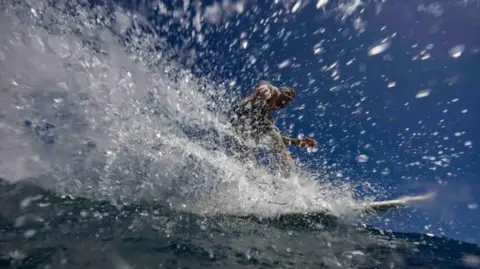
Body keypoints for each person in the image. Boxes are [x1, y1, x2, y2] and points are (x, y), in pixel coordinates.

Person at [228, 80, 316, 174]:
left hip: (237, 123)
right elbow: (268, 87)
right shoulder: (274, 93)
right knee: (285, 156)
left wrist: (296, 142)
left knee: (250, 167)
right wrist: (266, 88)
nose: (281, 106)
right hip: (242, 114)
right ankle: (291, 177)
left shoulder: (265, 117)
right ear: (283, 93)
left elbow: (273, 138)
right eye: (283, 102)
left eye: (283, 105)